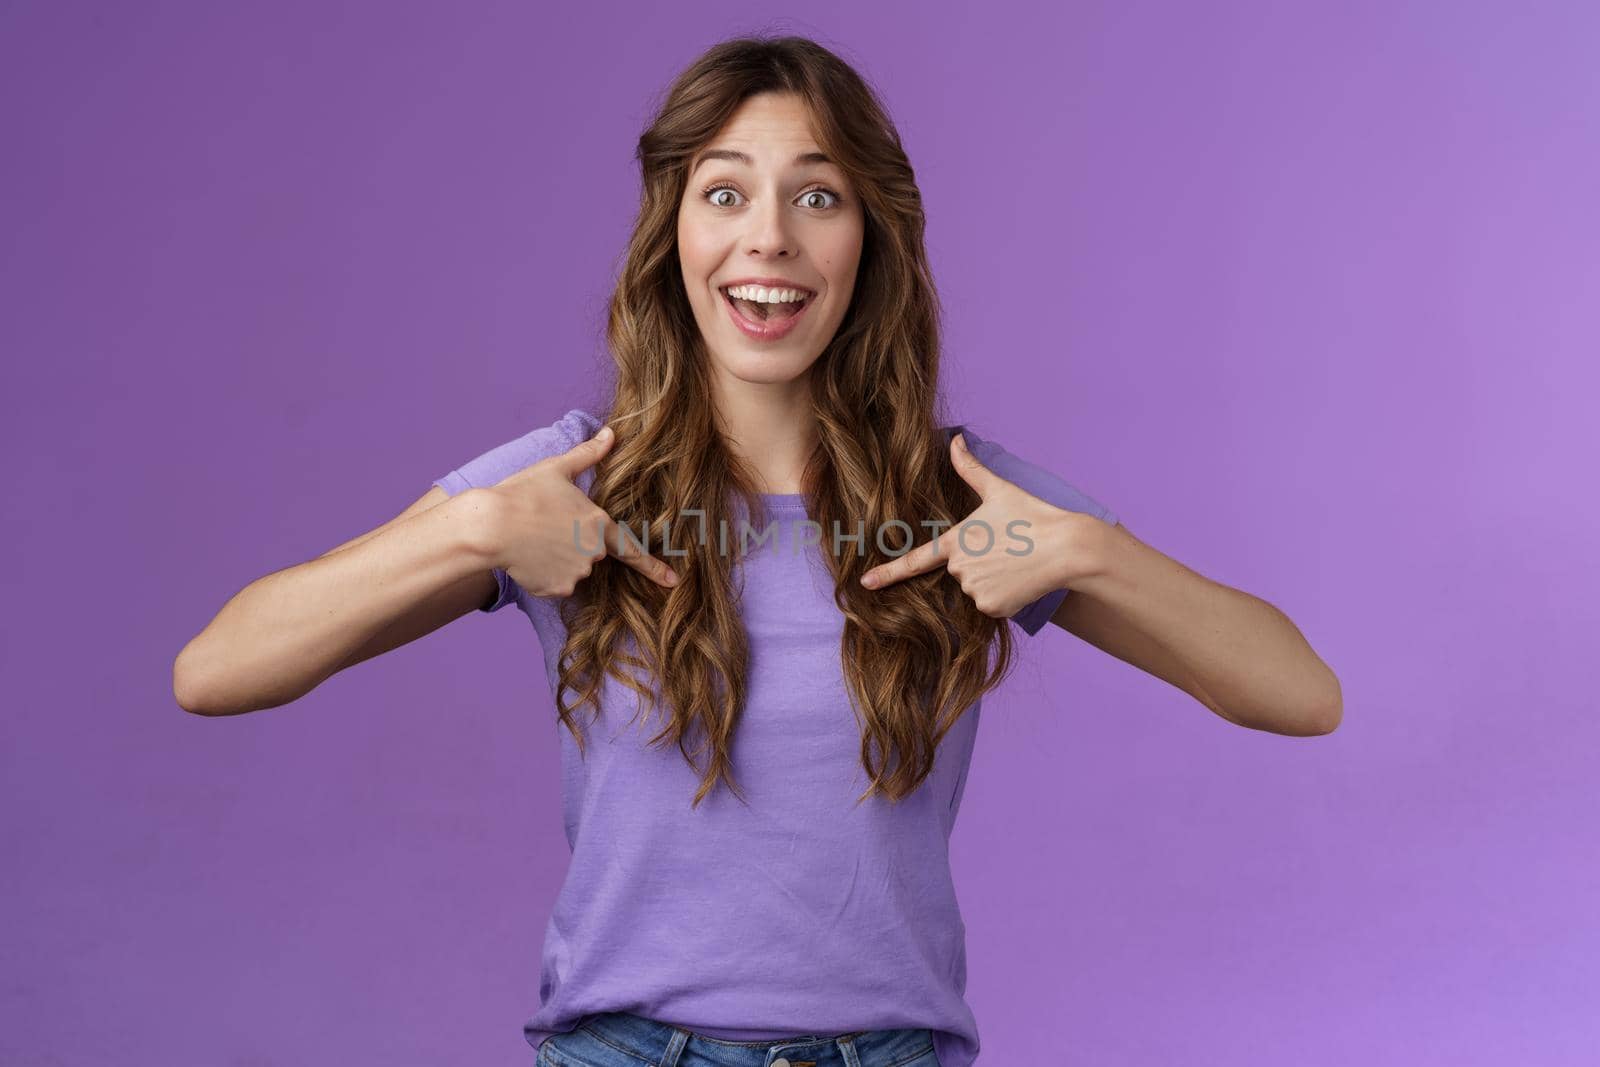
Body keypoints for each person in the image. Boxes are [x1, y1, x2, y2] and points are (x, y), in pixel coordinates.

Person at [173, 34, 1342, 1067]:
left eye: (816, 196)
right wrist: (469, 529)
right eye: (724, 194)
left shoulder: (966, 497)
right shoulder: (574, 479)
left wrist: (1091, 553)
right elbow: (216, 670)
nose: (768, 238)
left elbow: (1300, 692)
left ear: (871, 235)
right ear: (673, 232)